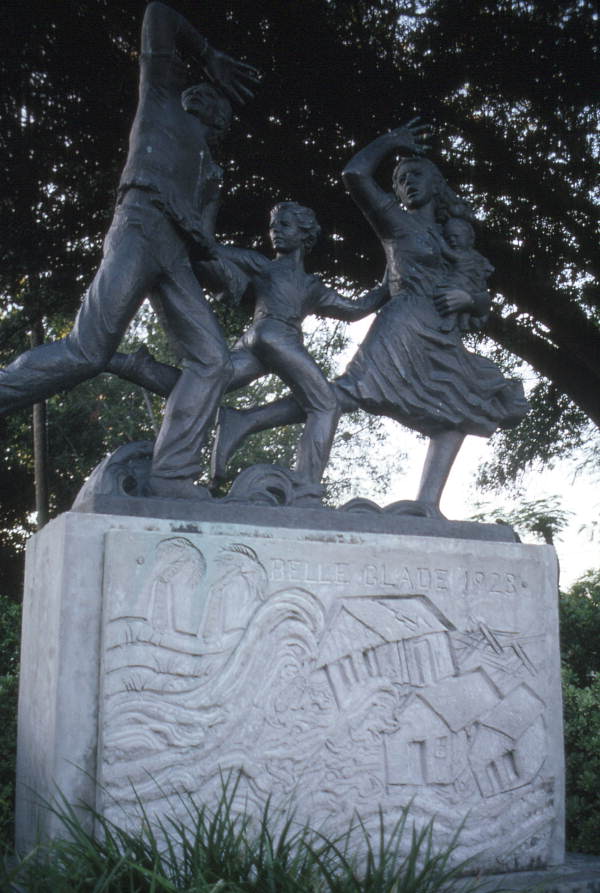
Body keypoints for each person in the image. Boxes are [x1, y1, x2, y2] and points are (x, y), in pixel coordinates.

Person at [0, 2, 258, 499]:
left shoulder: (212, 176)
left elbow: (201, 244)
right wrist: (208, 54)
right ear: (194, 97)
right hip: (139, 227)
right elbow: (159, 15)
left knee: (214, 361)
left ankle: (170, 474)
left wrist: (225, 268)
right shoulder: (162, 101)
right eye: (206, 93)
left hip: (174, 256)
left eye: (221, 106)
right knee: (88, 350)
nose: (214, 103)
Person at [208, 123, 529, 515]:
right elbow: (355, 174)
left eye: (416, 175)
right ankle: (249, 424)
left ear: (436, 184)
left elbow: (479, 297)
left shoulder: (452, 236)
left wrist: (470, 298)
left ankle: (428, 504)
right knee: (348, 394)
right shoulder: (397, 221)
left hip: (441, 333)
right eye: (400, 178)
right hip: (405, 324)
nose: (408, 183)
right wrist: (391, 141)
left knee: (456, 414)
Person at [112, 202, 388, 485]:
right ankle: (307, 488)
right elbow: (209, 251)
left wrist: (389, 281)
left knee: (201, 385)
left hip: (256, 342)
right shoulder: (264, 267)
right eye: (273, 226)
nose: (275, 231)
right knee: (326, 406)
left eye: (284, 225)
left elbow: (354, 308)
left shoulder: (309, 285)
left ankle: (132, 364)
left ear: (305, 235)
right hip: (277, 338)